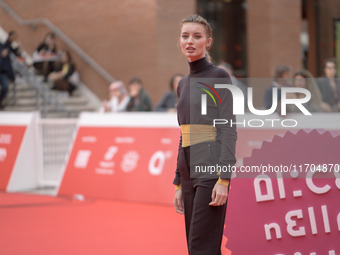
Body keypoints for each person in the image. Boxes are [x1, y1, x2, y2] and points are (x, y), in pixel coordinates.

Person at [173, 15, 237, 255]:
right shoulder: (182, 83)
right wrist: (178, 182)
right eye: (185, 36)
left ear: (208, 42)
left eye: (197, 36)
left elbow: (229, 129)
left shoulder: (219, 77)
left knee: (202, 247)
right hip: (189, 171)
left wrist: (224, 179)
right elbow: (184, 134)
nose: (189, 41)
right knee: (196, 247)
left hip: (211, 171)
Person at [0, 31, 22, 109]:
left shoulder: (6, 47)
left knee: (5, 87)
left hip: (3, 73)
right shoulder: (4, 45)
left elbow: (14, 53)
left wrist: (12, 76)